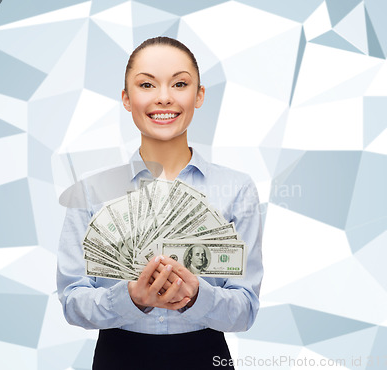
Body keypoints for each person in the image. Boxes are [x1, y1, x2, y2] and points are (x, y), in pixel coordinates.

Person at [57, 36, 264, 370]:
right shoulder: (92, 191)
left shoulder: (237, 188)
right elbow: (72, 301)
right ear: (126, 98)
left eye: (180, 83)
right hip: (118, 357)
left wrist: (198, 296)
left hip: (205, 357)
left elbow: (246, 309)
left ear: (199, 96)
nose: (164, 97)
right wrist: (130, 298)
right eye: (147, 85)